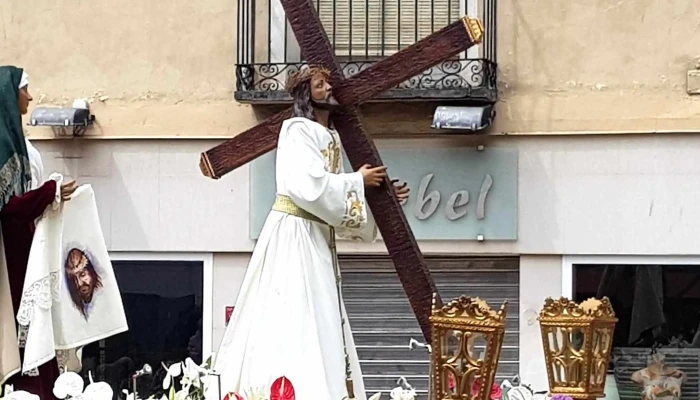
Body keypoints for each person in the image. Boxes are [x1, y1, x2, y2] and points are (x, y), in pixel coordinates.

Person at [212, 66, 409, 400]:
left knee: (321, 313)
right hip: (294, 232)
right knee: (294, 308)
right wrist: (356, 181)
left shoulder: (327, 133)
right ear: (305, 93)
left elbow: (329, 196)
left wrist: (378, 200)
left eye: (327, 83)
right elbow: (307, 186)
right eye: (320, 84)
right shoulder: (297, 129)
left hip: (315, 233)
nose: (329, 88)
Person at [0, 66, 78, 398]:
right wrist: (49, 193)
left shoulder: (20, 142)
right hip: (10, 252)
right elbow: (8, 207)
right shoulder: (3, 143)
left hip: (28, 246)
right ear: (8, 95)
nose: (30, 97)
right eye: (25, 89)